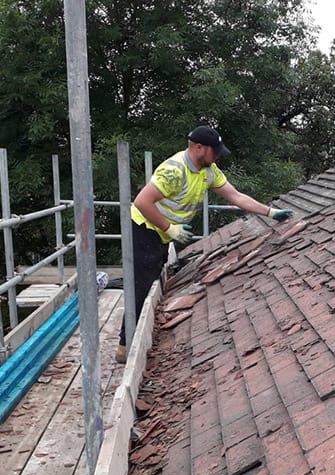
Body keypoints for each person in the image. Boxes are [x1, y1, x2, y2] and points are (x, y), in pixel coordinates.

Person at [115, 125, 292, 363]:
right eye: (214, 151)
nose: (217, 155)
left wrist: (270, 212)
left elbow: (236, 196)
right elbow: (142, 202)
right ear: (199, 148)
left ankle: (132, 340)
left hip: (163, 233)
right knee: (141, 283)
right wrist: (170, 229)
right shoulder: (174, 170)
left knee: (152, 280)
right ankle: (125, 346)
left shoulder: (209, 171)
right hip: (145, 228)